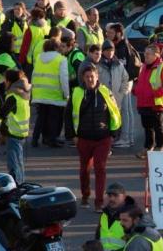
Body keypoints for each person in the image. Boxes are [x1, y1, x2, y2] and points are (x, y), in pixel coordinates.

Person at [66, 63, 121, 210]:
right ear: (83, 78)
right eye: (87, 77)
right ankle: (85, 195)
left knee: (100, 167)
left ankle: (99, 202)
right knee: (84, 169)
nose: (90, 79)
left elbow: (114, 111)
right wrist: (72, 135)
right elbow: (68, 115)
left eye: (92, 76)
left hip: (103, 138)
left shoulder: (105, 92)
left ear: (97, 77)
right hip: (83, 138)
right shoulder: (76, 93)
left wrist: (113, 133)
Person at [31, 38, 70, 148]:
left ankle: (35, 138)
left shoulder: (39, 58)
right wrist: (66, 94)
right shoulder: (61, 59)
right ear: (56, 47)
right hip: (54, 93)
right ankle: (52, 139)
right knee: (54, 118)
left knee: (41, 117)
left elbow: (34, 74)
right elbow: (64, 78)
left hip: (39, 92)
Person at [134, 45, 163, 157]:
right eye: (145, 53)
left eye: (148, 54)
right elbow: (140, 81)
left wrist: (155, 93)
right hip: (143, 102)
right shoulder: (143, 66)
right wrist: (136, 90)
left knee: (158, 126)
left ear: (156, 55)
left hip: (156, 103)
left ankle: (160, 147)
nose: (145, 56)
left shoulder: (162, 67)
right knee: (147, 127)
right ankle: (148, 147)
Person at [0, 69, 31, 186]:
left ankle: (17, 186)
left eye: (5, 80)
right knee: (19, 162)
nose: (4, 82)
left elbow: (2, 113)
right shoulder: (24, 93)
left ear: (9, 81)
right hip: (22, 132)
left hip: (13, 132)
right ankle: (21, 183)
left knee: (13, 164)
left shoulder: (13, 96)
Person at [98, 40, 132, 147]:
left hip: (116, 97)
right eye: (107, 50)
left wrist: (121, 92)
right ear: (103, 51)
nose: (110, 53)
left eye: (111, 50)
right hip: (103, 97)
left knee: (116, 119)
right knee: (104, 119)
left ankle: (116, 138)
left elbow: (125, 78)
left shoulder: (119, 64)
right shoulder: (98, 64)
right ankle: (105, 140)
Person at [95, 182, 133, 251]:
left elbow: (135, 246)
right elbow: (97, 238)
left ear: (124, 197)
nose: (112, 199)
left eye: (116, 195)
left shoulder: (131, 216)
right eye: (109, 195)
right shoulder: (104, 215)